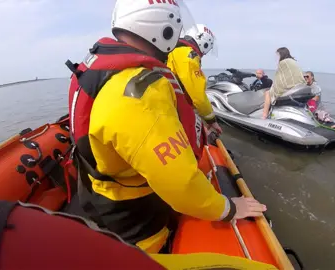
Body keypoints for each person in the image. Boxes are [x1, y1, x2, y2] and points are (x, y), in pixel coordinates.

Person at [66, 0, 267, 253]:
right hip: (133, 224)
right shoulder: (143, 93)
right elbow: (180, 184)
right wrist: (228, 208)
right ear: (165, 28)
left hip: (97, 192)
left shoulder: (99, 69)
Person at [0, 200, 278, 270]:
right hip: (139, 221)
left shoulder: (95, 79)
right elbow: (178, 181)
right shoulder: (141, 87)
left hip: (112, 209)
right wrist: (225, 207)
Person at [167, 23, 222, 161]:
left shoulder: (172, 50)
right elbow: (198, 95)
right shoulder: (188, 56)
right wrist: (211, 120)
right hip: (174, 110)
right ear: (203, 42)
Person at [262, 47, 305, 119]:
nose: (276, 58)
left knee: (268, 93)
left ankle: (264, 116)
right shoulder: (293, 61)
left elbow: (279, 79)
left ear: (281, 54)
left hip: (289, 89)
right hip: (298, 87)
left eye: (277, 55)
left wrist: (274, 87)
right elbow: (288, 77)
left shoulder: (283, 62)